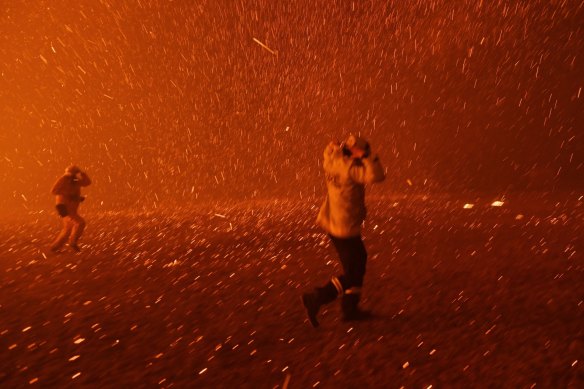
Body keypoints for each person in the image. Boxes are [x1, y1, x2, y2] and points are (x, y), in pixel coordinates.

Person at [302, 135, 385, 327]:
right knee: (353, 273)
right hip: (345, 225)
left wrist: (335, 148)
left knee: (359, 261)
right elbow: (377, 176)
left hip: (334, 220)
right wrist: (368, 157)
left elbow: (327, 153)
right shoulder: (351, 169)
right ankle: (317, 298)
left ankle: (350, 308)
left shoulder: (333, 162)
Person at [50, 165, 91, 252]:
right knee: (80, 223)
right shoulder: (63, 180)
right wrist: (71, 196)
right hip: (63, 207)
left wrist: (83, 174)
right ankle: (73, 242)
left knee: (67, 229)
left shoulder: (75, 181)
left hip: (71, 207)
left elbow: (87, 183)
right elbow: (54, 191)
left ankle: (55, 247)